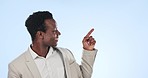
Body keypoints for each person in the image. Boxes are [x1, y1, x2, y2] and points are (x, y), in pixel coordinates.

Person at [8, 11, 98, 78]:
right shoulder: (16, 67)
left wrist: (88, 50)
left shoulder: (66, 54)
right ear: (40, 34)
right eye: (54, 31)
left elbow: (84, 76)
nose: (59, 33)